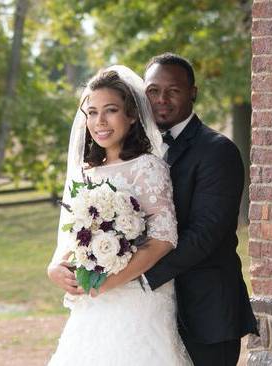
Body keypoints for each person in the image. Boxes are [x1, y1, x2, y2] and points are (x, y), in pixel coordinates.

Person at [47, 66, 192, 365]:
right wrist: (54, 268)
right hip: (91, 306)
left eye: (110, 110)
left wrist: (109, 283)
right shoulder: (84, 175)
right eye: (92, 112)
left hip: (138, 300)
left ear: (132, 115)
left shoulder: (148, 167)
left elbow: (163, 239)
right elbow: (70, 239)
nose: (99, 121)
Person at [142, 53, 258, 366]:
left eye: (173, 90)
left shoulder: (217, 150)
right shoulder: (138, 151)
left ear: (193, 92)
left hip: (207, 312)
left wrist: (140, 276)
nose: (162, 99)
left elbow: (206, 234)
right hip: (153, 313)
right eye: (153, 90)